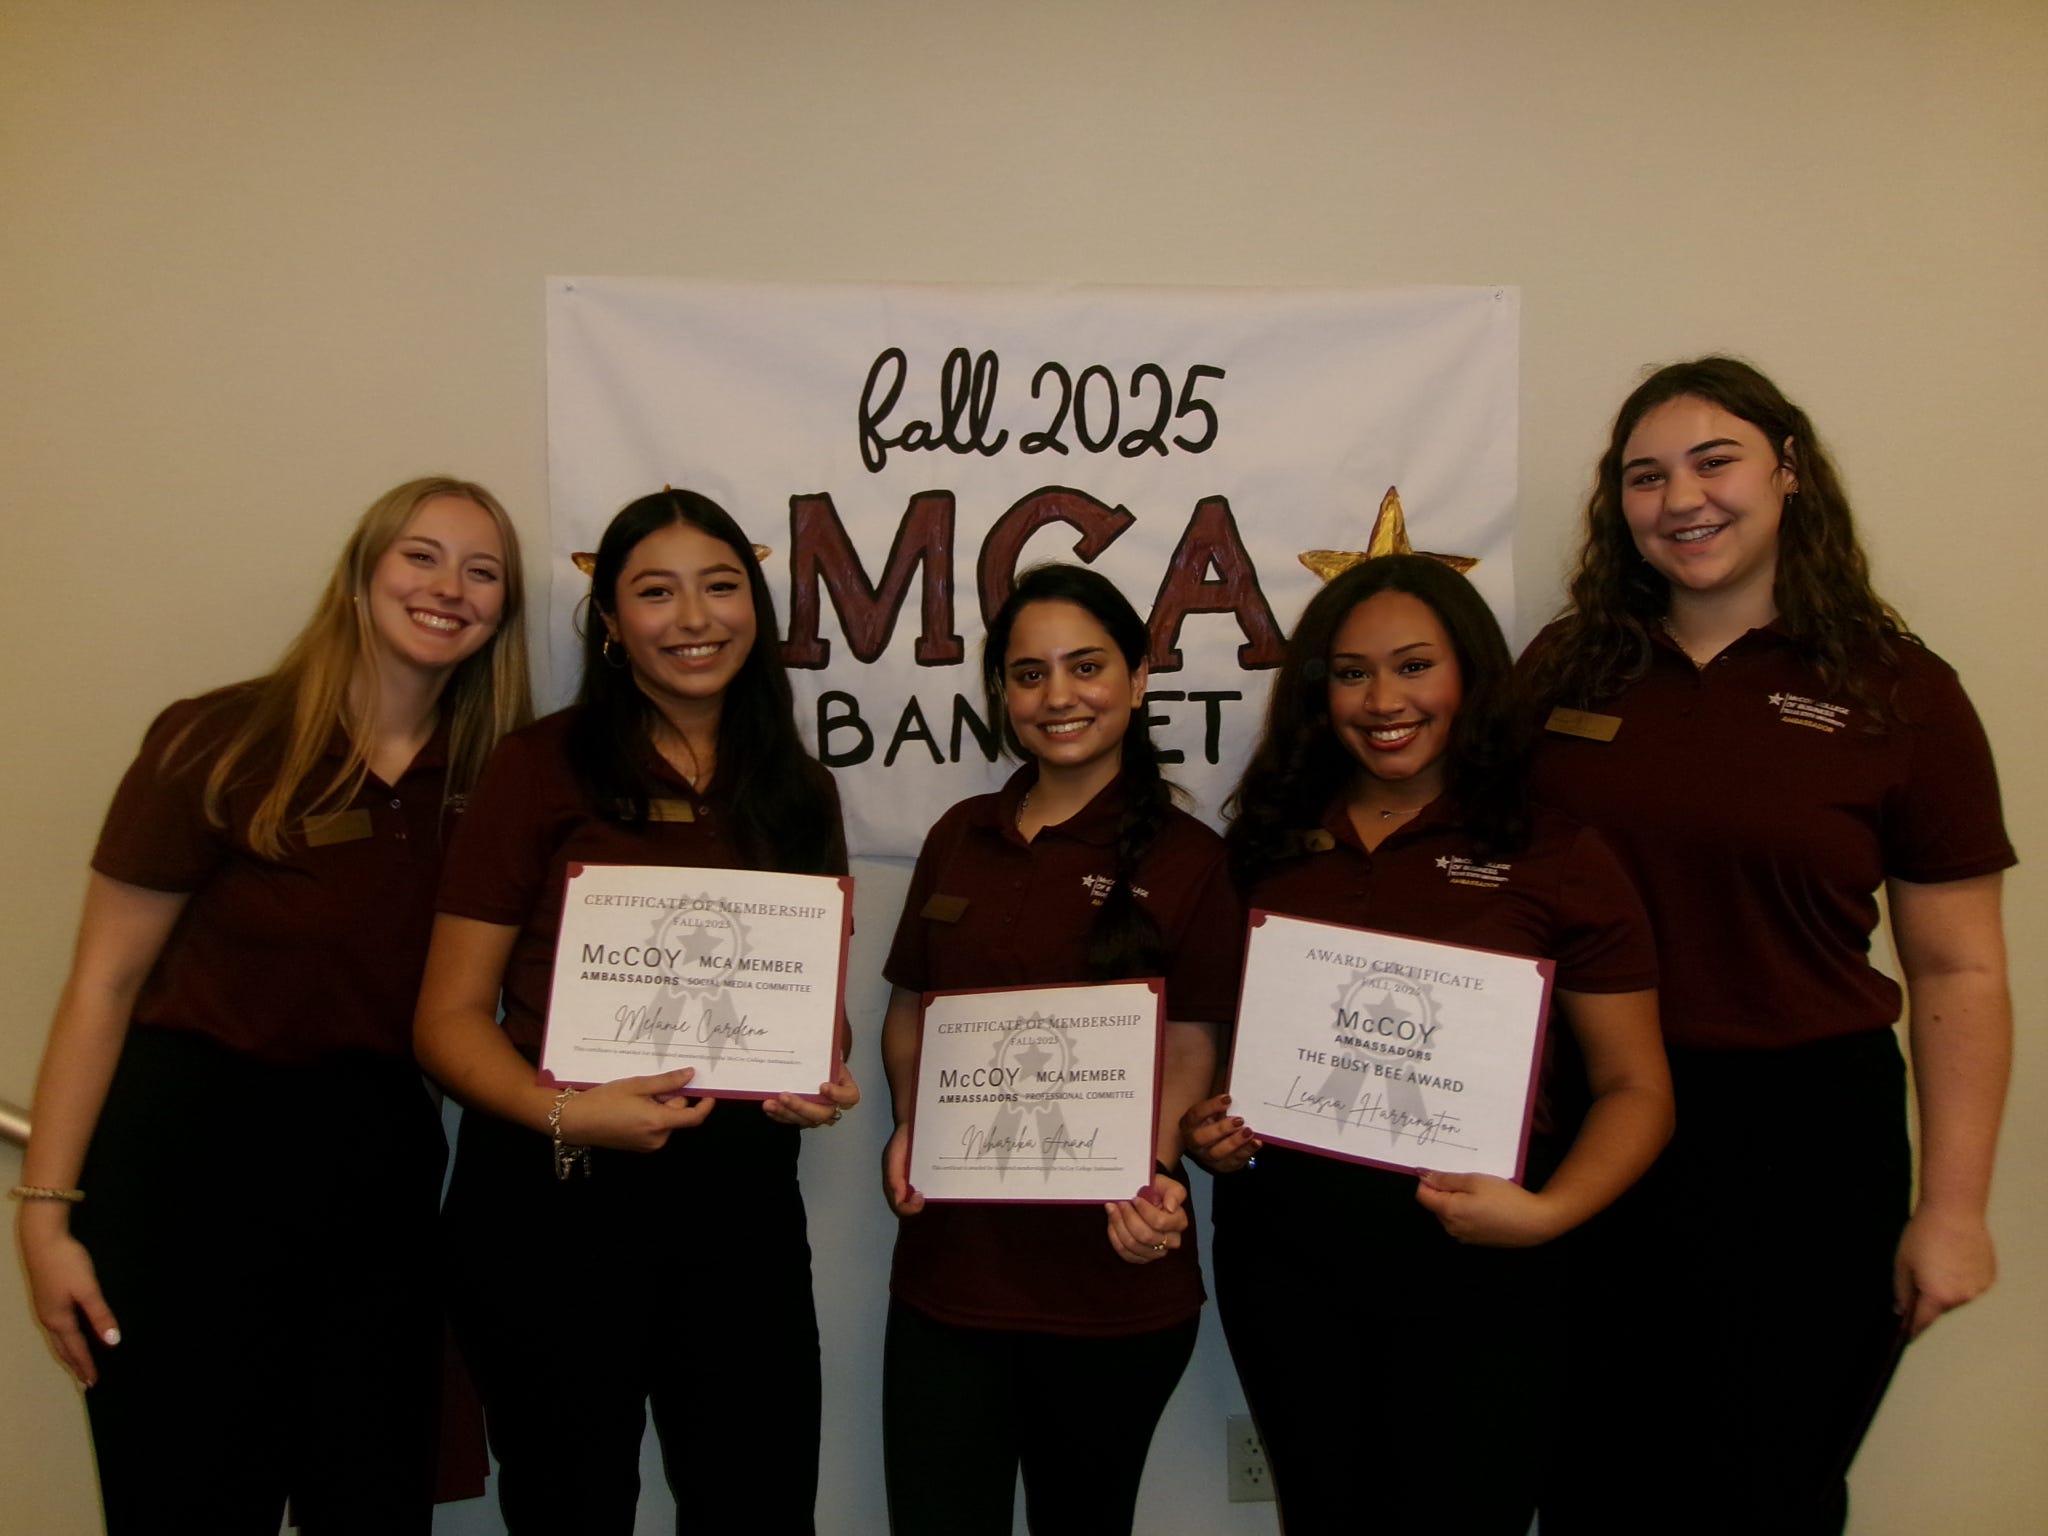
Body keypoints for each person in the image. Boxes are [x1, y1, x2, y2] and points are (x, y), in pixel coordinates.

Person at [1519, 357, 2014, 1534]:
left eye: (1712, 460)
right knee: (1589, 1477)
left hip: (1799, 1142)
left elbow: (1959, 968)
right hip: (1580, 1119)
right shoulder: (1562, 671)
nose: (1679, 498)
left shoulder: (1899, 691)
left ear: (1788, 473)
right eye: (1644, 476)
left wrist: (1952, 1211)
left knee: (1765, 1490)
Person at [12, 477, 530, 1534]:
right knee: (188, 1505)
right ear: (358, 578)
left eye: (483, 573)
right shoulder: (221, 742)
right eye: (420, 557)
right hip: (185, 1180)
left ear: (501, 617)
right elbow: (103, 985)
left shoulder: (492, 782)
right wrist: (46, 1212)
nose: (449, 588)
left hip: (378, 1179)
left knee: (374, 1505)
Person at [1182, 553, 1672, 1535]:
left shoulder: (1553, 853)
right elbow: (1219, 1055)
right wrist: (1209, 1130)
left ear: (1470, 678)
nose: (1380, 700)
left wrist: (1545, 1215)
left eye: (1412, 666)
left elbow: (1634, 1087)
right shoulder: (1269, 846)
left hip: (1479, 1261)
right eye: (1350, 673)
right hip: (1289, 1261)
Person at [414, 487, 855, 1536]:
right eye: (655, 593)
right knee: (571, 1508)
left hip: (738, 1203)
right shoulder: (535, 768)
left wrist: (816, 1077)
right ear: (610, 623)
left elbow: (812, 1011)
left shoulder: (795, 788)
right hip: (550, 1196)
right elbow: (446, 1018)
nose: (694, 618)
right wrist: (570, 1114)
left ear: (756, 607)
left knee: (756, 1503)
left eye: (720, 587)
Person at [877, 563, 1244, 1536]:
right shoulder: (958, 836)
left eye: (1085, 666)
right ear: (1000, 692)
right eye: (1028, 673)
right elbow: (914, 1007)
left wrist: (1151, 1172)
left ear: (1135, 676)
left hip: (1109, 1277)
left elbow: (1192, 1039)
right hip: (951, 1271)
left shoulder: (1190, 858)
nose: (1058, 696)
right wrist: (911, 1126)